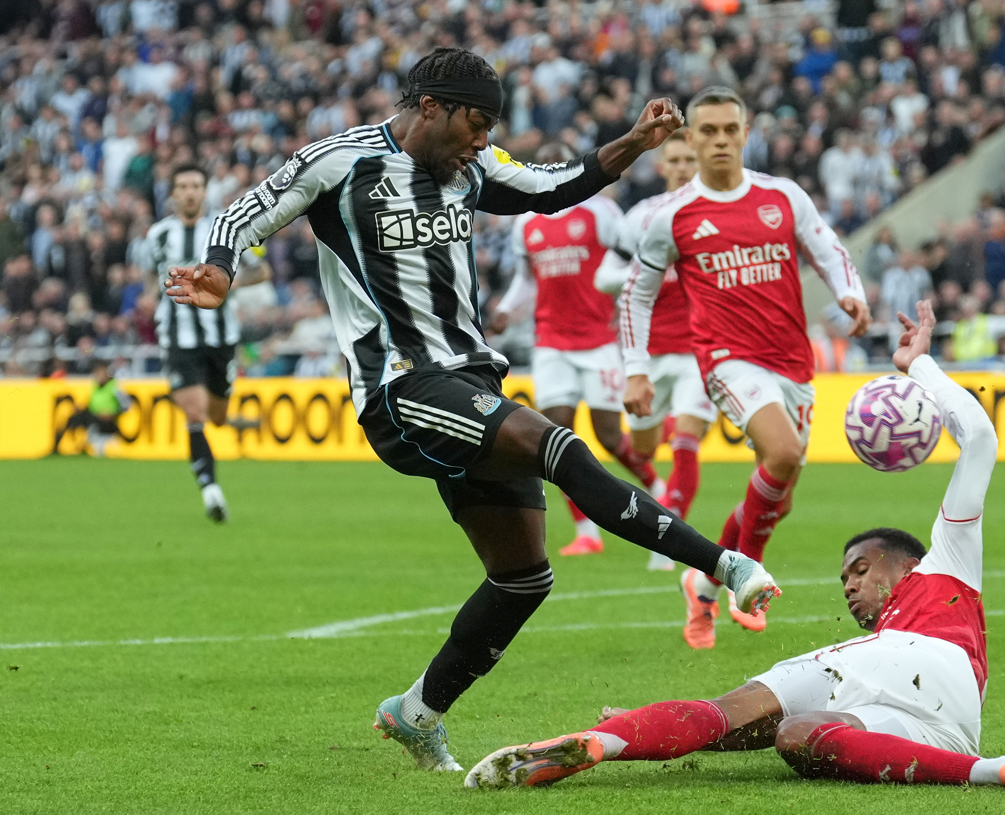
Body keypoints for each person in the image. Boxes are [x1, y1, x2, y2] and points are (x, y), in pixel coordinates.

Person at [166, 48, 779, 774]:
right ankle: (724, 564)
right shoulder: (343, 161)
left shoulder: (469, 166)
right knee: (561, 448)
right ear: (431, 107)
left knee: (523, 577)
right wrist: (221, 266)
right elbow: (248, 209)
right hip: (401, 388)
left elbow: (552, 187)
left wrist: (634, 145)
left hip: (470, 379)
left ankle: (417, 712)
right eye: (476, 124)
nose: (483, 140)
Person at [464, 300, 1005, 794]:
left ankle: (619, 736)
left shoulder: (948, 563)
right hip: (922, 710)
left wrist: (922, 368)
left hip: (924, 663)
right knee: (790, 733)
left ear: (908, 561)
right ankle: (605, 741)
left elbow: (980, 438)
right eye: (844, 579)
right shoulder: (878, 630)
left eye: (861, 568)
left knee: (751, 713)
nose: (852, 584)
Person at [618, 87, 870, 650]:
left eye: (730, 129)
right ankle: (744, 576)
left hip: (792, 361)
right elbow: (636, 294)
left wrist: (849, 292)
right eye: (708, 131)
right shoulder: (673, 216)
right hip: (725, 359)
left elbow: (827, 248)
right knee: (781, 454)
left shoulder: (782, 197)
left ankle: (702, 583)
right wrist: (635, 369)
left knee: (780, 497)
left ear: (745, 132)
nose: (721, 140)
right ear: (691, 139)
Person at [488, 145, 660, 557]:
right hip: (550, 342)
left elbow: (625, 265)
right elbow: (526, 283)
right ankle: (587, 531)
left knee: (609, 435)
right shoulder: (526, 224)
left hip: (599, 340)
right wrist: (507, 311)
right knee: (554, 438)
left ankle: (657, 488)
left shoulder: (601, 213)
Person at [597, 132, 727, 593]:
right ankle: (662, 473)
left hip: (700, 350)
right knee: (647, 446)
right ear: (663, 165)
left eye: (691, 158)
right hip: (647, 355)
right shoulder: (642, 217)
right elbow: (603, 276)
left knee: (688, 441)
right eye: (674, 158)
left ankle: (667, 540)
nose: (683, 165)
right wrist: (646, 273)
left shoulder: (718, 213)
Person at [144, 164, 270, 522]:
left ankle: (227, 422)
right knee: (195, 413)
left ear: (205, 191)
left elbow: (261, 271)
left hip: (220, 338)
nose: (189, 192)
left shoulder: (224, 231)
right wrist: (148, 297)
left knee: (215, 415)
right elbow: (150, 280)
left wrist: (225, 286)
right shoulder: (157, 235)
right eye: (182, 185)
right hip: (177, 337)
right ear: (173, 193)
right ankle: (212, 492)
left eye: (195, 185)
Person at [50, 359, 129, 456]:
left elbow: (126, 405)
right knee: (72, 419)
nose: (99, 375)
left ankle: (93, 446)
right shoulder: (94, 385)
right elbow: (91, 402)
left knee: (96, 427)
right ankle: (58, 447)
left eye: (102, 373)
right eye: (97, 373)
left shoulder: (114, 386)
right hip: (93, 415)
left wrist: (113, 413)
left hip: (108, 419)